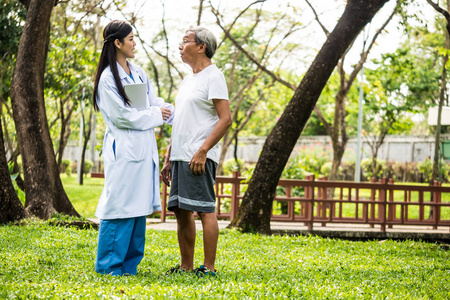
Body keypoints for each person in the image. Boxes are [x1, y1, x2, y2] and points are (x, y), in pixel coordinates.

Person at [92, 20, 174, 276]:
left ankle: (129, 266)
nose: (134, 43)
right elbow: (123, 116)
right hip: (125, 152)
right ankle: (109, 267)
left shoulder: (137, 71)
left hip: (142, 149)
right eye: (131, 39)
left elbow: (154, 103)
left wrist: (177, 111)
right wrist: (156, 114)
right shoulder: (107, 79)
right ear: (117, 42)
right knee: (120, 206)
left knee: (138, 209)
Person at [161, 26, 232, 276]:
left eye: (185, 41)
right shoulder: (189, 79)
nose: (180, 46)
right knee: (181, 210)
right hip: (180, 155)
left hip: (198, 155)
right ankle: (186, 266)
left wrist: (203, 151)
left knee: (204, 209)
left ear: (201, 46)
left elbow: (226, 119)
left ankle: (208, 268)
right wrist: (169, 158)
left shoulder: (214, 76)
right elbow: (181, 120)